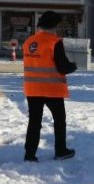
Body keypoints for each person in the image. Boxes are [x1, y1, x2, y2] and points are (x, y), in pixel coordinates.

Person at [22, 10, 78, 162]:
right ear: (54, 26)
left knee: (34, 122)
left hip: (32, 89)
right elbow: (63, 67)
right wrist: (73, 66)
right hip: (51, 89)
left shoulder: (29, 42)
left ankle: (29, 155)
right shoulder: (54, 42)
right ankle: (61, 150)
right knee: (59, 120)